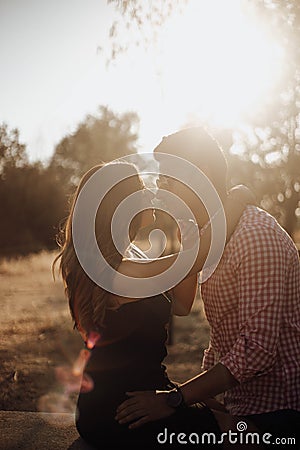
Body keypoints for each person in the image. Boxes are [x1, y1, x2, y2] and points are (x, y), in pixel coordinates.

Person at [116, 127, 300, 449]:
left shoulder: (255, 237)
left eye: (168, 177)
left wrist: (175, 399)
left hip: (278, 413)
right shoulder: (203, 236)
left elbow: (256, 350)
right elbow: (221, 335)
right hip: (238, 405)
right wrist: (205, 399)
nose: (159, 185)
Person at [53, 158, 255, 449]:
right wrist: (238, 198)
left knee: (222, 412)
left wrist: (187, 234)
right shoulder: (119, 273)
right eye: (140, 190)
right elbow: (201, 256)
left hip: (128, 397)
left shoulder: (118, 265)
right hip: (124, 411)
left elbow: (182, 305)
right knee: (244, 432)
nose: (149, 194)